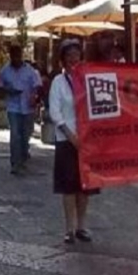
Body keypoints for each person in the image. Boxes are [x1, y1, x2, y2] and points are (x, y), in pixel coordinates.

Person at [48, 39, 98, 244]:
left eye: (76, 55)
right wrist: (71, 136)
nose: (73, 60)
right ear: (63, 60)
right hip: (66, 140)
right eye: (69, 56)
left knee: (84, 186)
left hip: (87, 140)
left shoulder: (88, 80)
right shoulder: (58, 83)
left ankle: (81, 226)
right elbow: (55, 112)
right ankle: (69, 228)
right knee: (68, 186)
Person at [0, 44, 42, 175]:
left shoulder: (29, 70)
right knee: (15, 134)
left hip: (28, 107)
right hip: (13, 107)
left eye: (18, 55)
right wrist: (7, 90)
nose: (16, 58)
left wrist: (35, 96)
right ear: (10, 56)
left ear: (21, 55)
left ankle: (22, 157)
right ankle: (15, 163)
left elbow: (38, 85)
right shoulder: (5, 71)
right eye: (13, 56)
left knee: (25, 134)